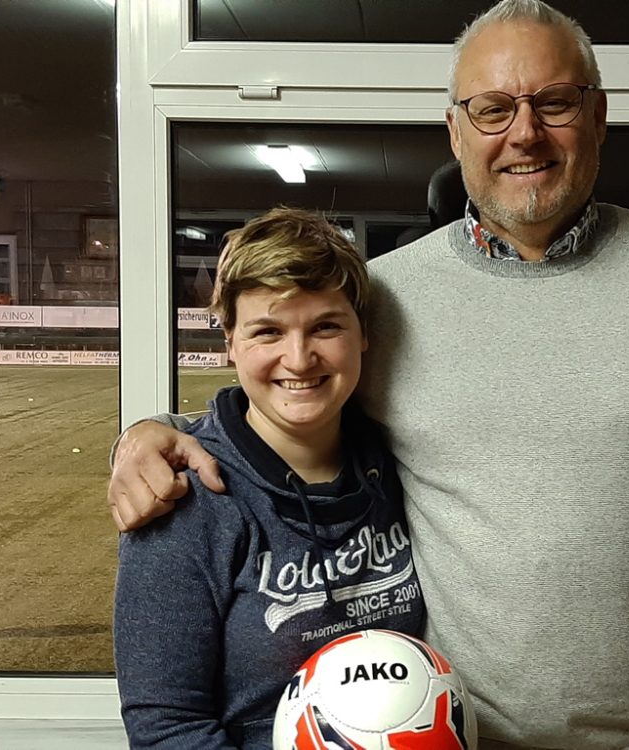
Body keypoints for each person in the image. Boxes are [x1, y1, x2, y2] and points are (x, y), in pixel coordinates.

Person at [108, 2, 629, 749]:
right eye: (493, 110)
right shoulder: (388, 297)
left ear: (598, 117)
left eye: (554, 103)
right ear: (456, 133)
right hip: (441, 738)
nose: (523, 134)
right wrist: (160, 433)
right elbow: (291, 400)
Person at [112, 208, 426, 749]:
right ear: (230, 342)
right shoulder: (187, 499)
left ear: (363, 335)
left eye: (326, 326)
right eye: (268, 331)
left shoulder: (402, 461)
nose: (299, 358)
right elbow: (167, 727)